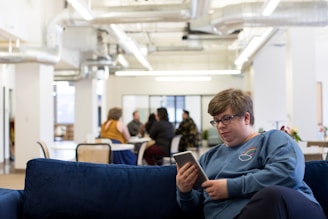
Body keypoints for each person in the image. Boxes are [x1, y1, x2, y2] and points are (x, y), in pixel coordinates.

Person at [176, 88, 325, 219]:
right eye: (216, 121)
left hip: (288, 208)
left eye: (226, 118)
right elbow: (195, 211)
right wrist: (185, 191)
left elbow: (289, 173)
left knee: (271, 195)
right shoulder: (208, 158)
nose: (220, 126)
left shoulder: (273, 139)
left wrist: (230, 188)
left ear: (246, 118)